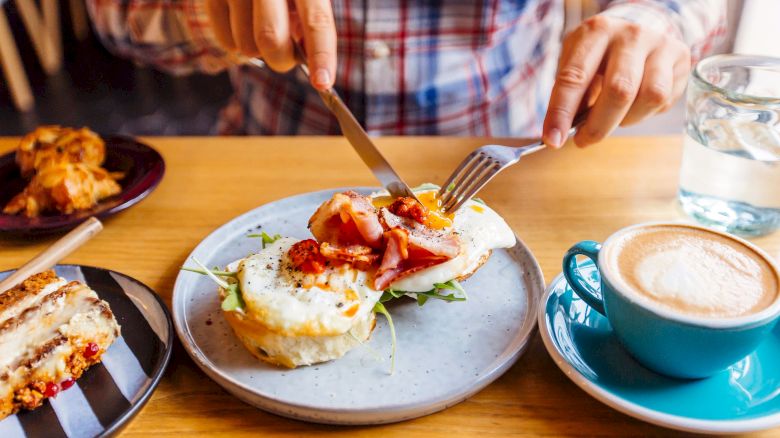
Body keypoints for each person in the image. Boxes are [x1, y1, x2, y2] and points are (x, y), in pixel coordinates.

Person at [86, 0, 725, 146]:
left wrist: (661, 16)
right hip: (263, 164)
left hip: (509, 173)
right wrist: (206, 12)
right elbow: (112, 18)